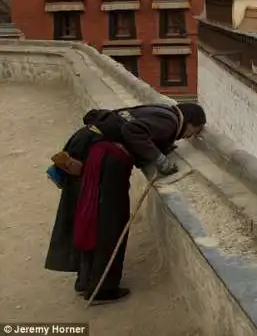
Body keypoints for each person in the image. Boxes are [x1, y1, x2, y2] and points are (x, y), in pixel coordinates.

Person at [44, 102, 206, 303]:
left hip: (96, 156)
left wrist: (159, 149)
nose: (188, 136)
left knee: (92, 218)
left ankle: (85, 281)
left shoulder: (160, 110)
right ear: (189, 122)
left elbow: (134, 130)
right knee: (109, 223)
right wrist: (159, 159)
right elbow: (132, 130)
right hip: (108, 164)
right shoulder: (170, 122)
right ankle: (102, 289)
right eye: (193, 131)